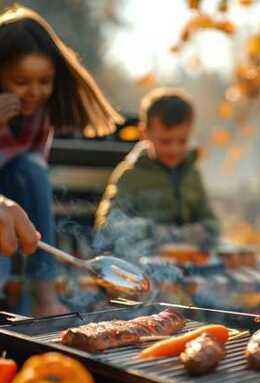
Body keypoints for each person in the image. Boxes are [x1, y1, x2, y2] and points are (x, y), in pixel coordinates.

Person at [0, 6, 123, 316]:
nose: (35, 92)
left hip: (12, 204)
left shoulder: (39, 114)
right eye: (21, 81)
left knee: (30, 169)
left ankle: (44, 294)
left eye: (44, 81)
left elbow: (33, 175)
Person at [94, 87, 220, 259]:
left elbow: (213, 225)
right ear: (145, 133)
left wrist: (200, 232)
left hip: (189, 265)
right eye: (165, 141)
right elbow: (106, 227)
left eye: (182, 141)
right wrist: (151, 231)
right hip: (144, 264)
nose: (174, 149)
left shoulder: (192, 174)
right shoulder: (130, 175)